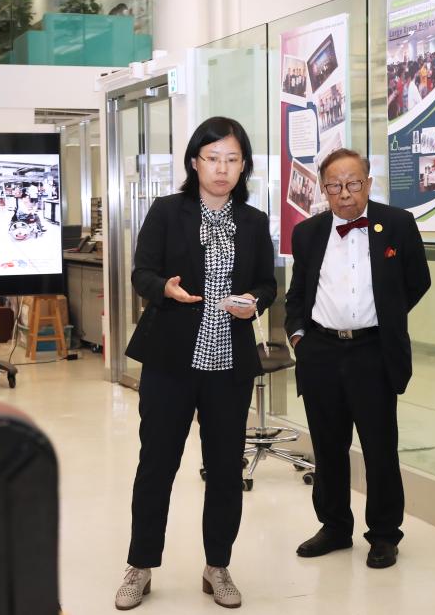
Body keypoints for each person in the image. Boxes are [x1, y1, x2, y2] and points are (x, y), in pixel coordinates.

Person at [115, 116, 276, 611]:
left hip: (229, 366)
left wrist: (254, 301)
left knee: (225, 469)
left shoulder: (254, 221)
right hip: (170, 363)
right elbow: (142, 272)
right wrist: (163, 288)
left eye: (232, 159)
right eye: (212, 158)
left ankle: (217, 566)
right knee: (157, 464)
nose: (222, 169)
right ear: (194, 162)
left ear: (243, 165)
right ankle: (140, 565)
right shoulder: (168, 212)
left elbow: (267, 283)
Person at [285, 148, 430, 568]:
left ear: (368, 183)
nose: (345, 193)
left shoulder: (397, 224)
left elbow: (417, 281)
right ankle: (334, 527)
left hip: (373, 351)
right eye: (335, 186)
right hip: (321, 351)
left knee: (380, 447)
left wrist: (385, 316)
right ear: (322, 189)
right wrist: (299, 337)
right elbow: (298, 293)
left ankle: (384, 534)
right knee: (328, 446)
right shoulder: (307, 233)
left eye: (353, 184)